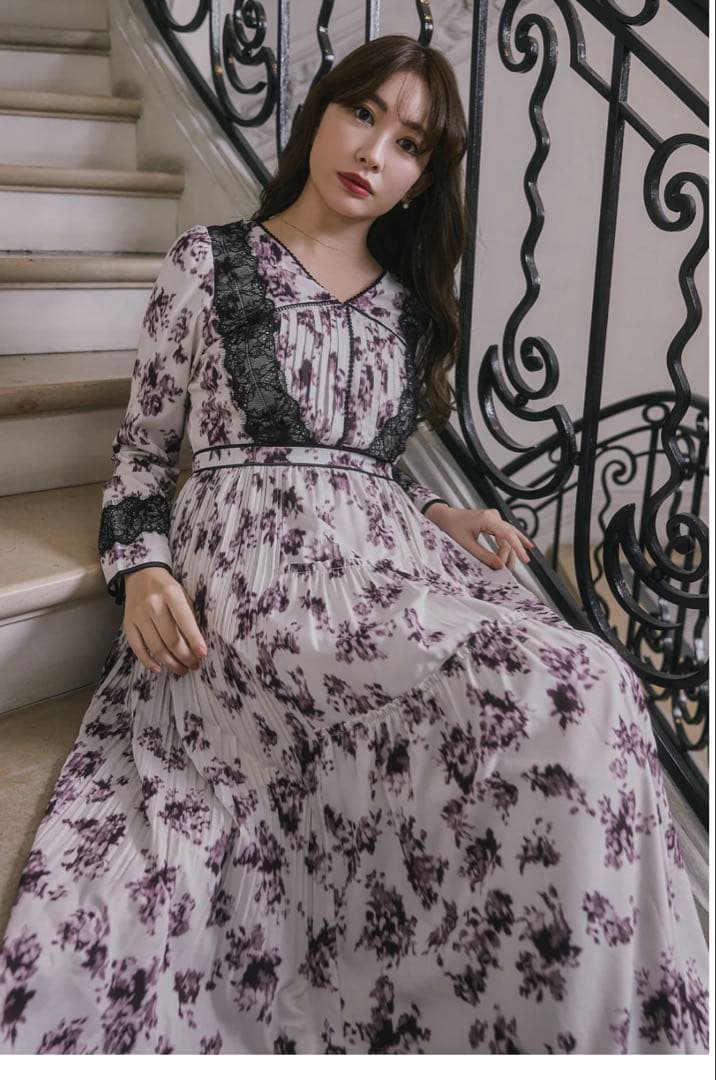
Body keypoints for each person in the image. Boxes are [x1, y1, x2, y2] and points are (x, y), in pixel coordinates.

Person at [0, 34, 708, 1055]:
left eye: (409, 142)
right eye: (362, 113)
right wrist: (142, 568)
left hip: (388, 563)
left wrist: (441, 516)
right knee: (555, 688)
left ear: (423, 176)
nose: (375, 151)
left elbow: (366, 464)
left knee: (593, 682)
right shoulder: (208, 261)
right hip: (257, 583)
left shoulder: (407, 306)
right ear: (319, 114)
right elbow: (142, 459)